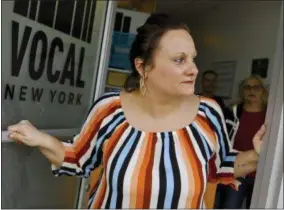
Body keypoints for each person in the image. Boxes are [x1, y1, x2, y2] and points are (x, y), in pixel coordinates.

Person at [8, 13, 265, 209]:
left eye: (193, 58)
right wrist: (39, 137)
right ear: (142, 67)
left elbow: (218, 167)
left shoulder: (209, 113)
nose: (193, 69)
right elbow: (78, 157)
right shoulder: (110, 109)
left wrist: (259, 154)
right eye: (179, 60)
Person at [214, 75, 268, 209]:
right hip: (237, 170)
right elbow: (221, 140)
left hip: (262, 173)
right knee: (229, 206)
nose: (251, 90)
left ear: (263, 90)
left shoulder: (270, 113)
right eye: (247, 87)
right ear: (242, 91)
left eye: (256, 87)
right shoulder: (232, 112)